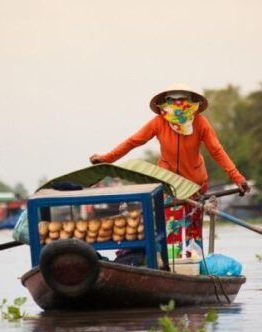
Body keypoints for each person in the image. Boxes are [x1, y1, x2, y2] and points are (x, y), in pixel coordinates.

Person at [89, 83, 250, 263]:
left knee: (192, 229)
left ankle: (193, 263)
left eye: (182, 100)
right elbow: (133, 141)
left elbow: (217, 151)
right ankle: (172, 265)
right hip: (169, 184)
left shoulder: (200, 122)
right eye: (172, 101)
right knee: (171, 226)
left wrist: (237, 177)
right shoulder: (159, 122)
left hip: (195, 184)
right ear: (164, 104)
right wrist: (106, 159)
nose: (177, 105)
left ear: (191, 103)